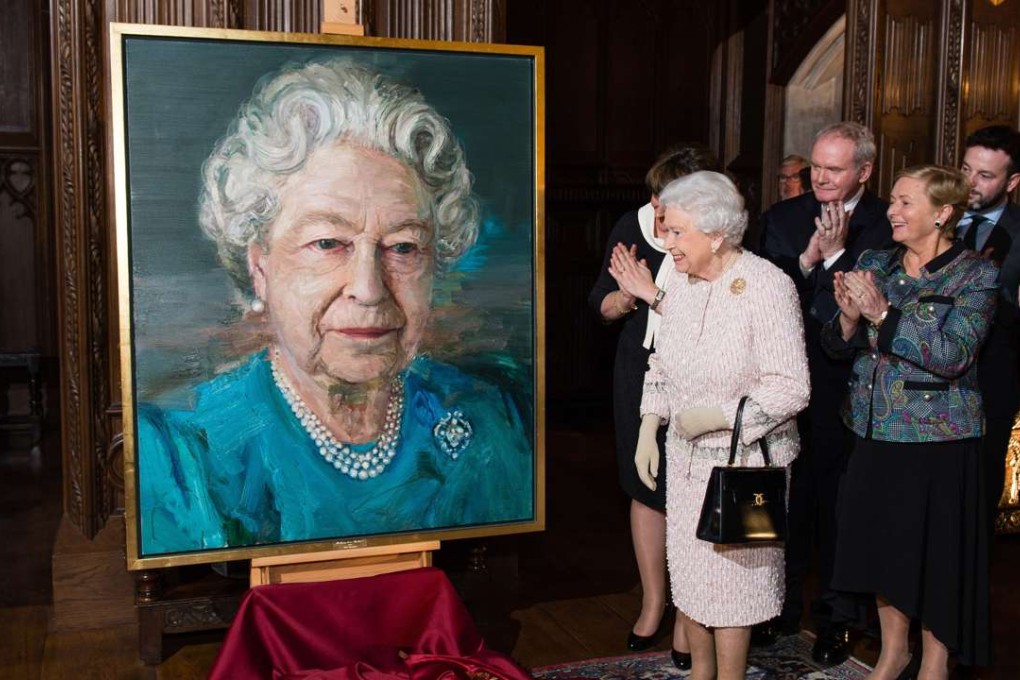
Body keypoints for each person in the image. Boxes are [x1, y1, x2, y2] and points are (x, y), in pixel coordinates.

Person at [136, 58, 533, 555]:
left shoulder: (488, 420)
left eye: (404, 247)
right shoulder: (184, 452)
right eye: (327, 243)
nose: (368, 289)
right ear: (260, 266)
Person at [626, 171, 809, 680]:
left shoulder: (768, 288)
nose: (667, 242)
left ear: (716, 234)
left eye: (678, 231)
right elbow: (660, 364)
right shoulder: (679, 284)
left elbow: (792, 387)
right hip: (685, 463)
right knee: (689, 581)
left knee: (732, 592)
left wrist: (722, 417)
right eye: (666, 229)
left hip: (743, 466)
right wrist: (649, 424)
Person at [822, 165, 997, 679]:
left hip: (940, 440)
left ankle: (935, 662)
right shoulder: (875, 262)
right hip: (874, 433)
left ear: (942, 213)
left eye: (904, 203)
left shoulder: (975, 274)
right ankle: (893, 652)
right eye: (893, 201)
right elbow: (837, 347)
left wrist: (881, 317)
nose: (891, 212)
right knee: (882, 550)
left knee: (936, 556)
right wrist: (849, 320)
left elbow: (953, 354)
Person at [758, 121, 894, 663]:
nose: (821, 177)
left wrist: (836, 259)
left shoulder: (888, 222)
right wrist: (810, 262)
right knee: (786, 500)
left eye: (835, 169)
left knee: (840, 505)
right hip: (787, 377)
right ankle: (779, 606)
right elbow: (768, 291)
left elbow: (868, 309)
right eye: (817, 166)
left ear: (863, 171)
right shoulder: (785, 217)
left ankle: (839, 617)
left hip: (849, 386)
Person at [588, 143, 720, 668]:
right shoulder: (632, 226)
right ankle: (652, 603)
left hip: (701, 375)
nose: (657, 206)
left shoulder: (716, 234)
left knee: (691, 490)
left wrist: (654, 291)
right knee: (645, 488)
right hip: (638, 371)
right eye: (655, 195)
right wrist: (626, 297)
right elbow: (601, 302)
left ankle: (690, 619)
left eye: (670, 197)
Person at [959, 125, 1020, 523]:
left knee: (975, 505)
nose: (970, 183)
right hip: (921, 395)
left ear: (1012, 181)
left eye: (985, 176)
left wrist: (987, 293)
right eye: (965, 170)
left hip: (991, 388)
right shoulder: (928, 217)